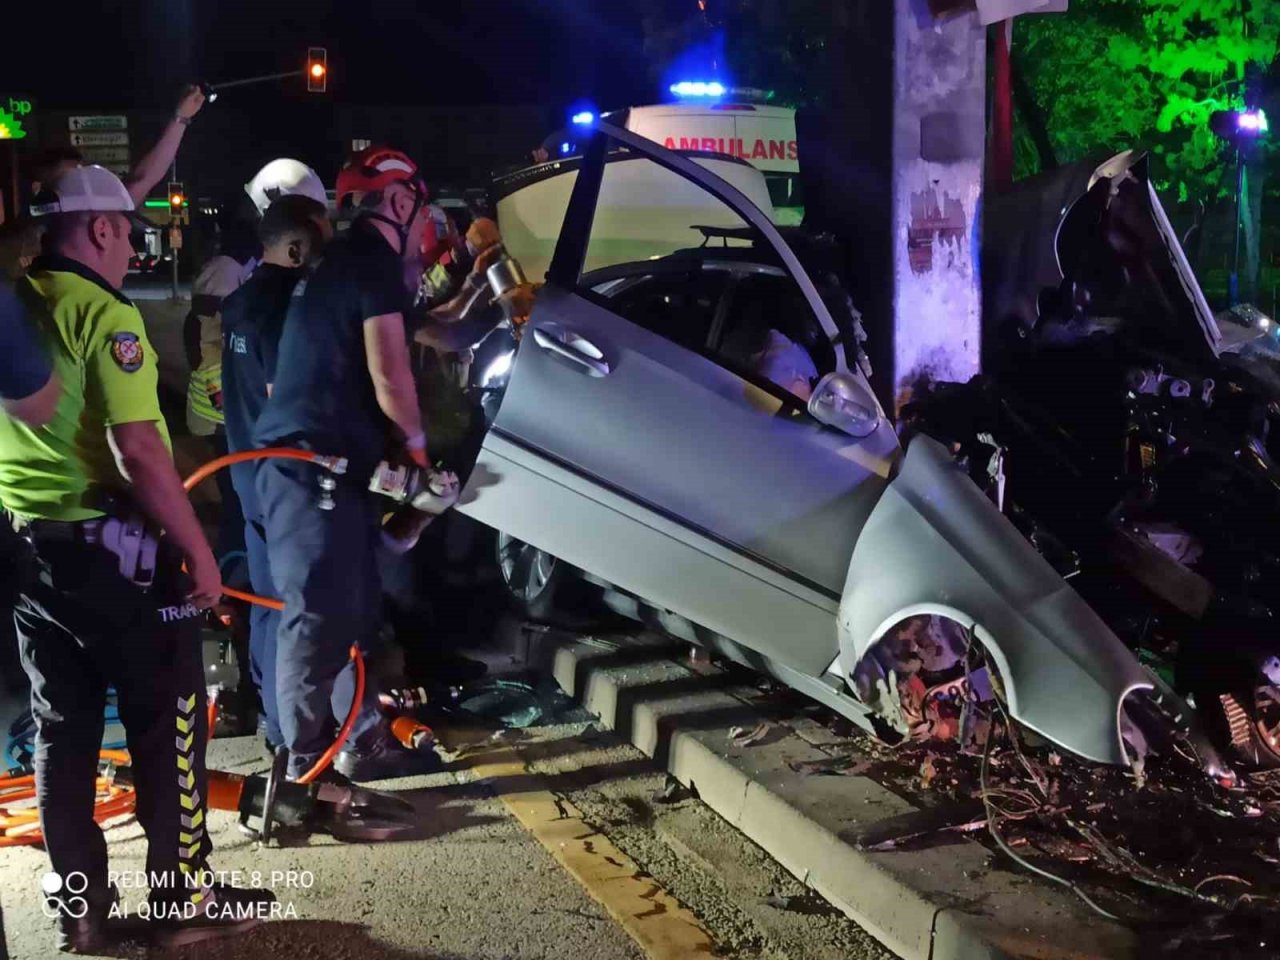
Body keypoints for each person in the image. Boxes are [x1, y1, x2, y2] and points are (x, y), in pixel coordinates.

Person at [0, 166, 270, 951]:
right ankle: (181, 899)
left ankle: (82, 914)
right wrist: (198, 553)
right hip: (111, 555)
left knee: (63, 730)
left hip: (28, 547)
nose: (131, 250)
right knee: (170, 719)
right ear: (104, 230)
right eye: (130, 233)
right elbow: (142, 453)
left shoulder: (13, 305)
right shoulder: (102, 314)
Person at [253, 145, 444, 783]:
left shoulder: (347, 261)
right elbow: (390, 372)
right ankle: (305, 768)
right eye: (419, 210)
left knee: (353, 608)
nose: (424, 225)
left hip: (323, 464)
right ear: (396, 201)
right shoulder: (371, 259)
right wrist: (415, 455)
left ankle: (356, 744)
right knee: (315, 619)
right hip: (311, 467)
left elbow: (423, 331)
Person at [221, 193, 331, 755]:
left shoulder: (239, 301)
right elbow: (284, 397)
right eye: (320, 241)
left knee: (269, 603)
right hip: (287, 479)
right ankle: (298, 734)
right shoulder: (289, 305)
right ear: (295, 247)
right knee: (301, 609)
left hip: (247, 471)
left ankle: (274, 721)